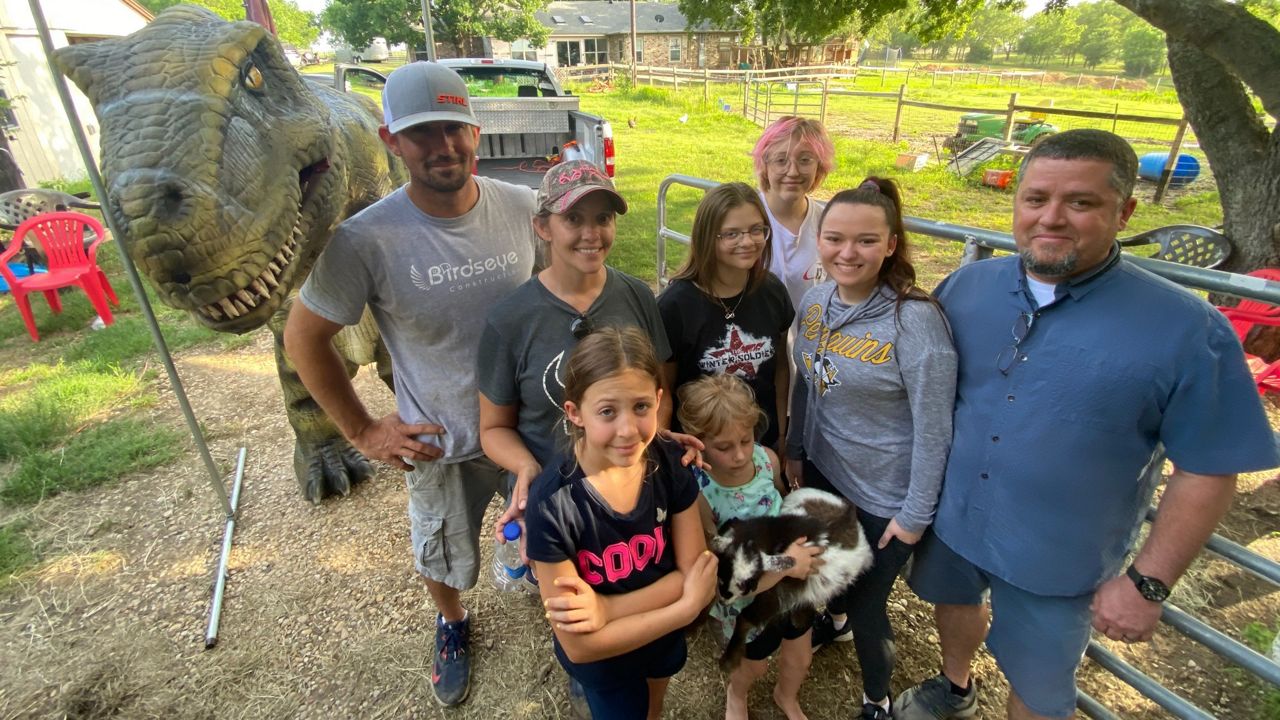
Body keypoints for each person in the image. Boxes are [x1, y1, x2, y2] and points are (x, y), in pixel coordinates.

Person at [894, 129, 1279, 720]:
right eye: (1035, 198)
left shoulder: (1186, 328)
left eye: (1080, 202)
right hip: (955, 519)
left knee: (1042, 687)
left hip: (1058, 554)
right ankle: (956, 682)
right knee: (952, 601)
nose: (1051, 218)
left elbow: (1208, 467)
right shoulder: (967, 287)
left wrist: (1149, 582)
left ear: (1124, 212)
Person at [283, 61, 540, 707]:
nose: (443, 146)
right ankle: (452, 624)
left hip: (530, 430)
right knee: (442, 554)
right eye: (423, 133)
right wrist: (363, 429)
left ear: (476, 133)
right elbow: (303, 339)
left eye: (454, 127)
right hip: (441, 437)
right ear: (390, 139)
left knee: (552, 529)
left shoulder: (524, 209)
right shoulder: (364, 240)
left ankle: (551, 590)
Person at [784, 178, 957, 720]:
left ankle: (876, 699)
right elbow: (806, 379)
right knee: (830, 570)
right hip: (825, 470)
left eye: (865, 241)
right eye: (834, 238)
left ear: (890, 243)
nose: (846, 252)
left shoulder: (915, 322)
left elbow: (935, 429)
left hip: (886, 493)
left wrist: (913, 515)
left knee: (867, 602)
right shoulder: (815, 301)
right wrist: (794, 445)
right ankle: (831, 621)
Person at [524, 327, 718, 720]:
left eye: (642, 407)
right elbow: (580, 645)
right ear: (574, 413)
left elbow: (695, 571)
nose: (629, 430)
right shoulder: (552, 504)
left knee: (653, 706)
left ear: (659, 400)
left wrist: (606, 611)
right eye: (608, 412)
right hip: (603, 663)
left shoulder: (668, 463)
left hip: (660, 643)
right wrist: (684, 607)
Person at [478, 159, 674, 542]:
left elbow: (660, 394)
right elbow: (493, 428)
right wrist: (526, 468)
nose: (591, 233)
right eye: (573, 219)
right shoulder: (509, 319)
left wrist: (648, 447)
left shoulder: (637, 297)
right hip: (557, 503)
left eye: (603, 218)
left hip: (630, 489)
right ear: (542, 226)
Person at [678, 373, 823, 720]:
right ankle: (736, 696)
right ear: (697, 442)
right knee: (751, 664)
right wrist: (789, 562)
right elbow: (725, 568)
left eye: (746, 439)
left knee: (801, 656)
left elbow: (781, 499)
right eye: (724, 447)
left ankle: (786, 695)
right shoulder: (699, 493)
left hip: (792, 588)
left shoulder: (767, 460)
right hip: (749, 600)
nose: (740, 454)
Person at [658, 182, 794, 449]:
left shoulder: (772, 291)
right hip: (699, 453)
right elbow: (663, 389)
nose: (748, 241)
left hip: (761, 448)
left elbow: (780, 369)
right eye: (731, 234)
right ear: (707, 237)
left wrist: (781, 437)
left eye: (757, 230)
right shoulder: (674, 306)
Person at [752, 116, 836, 314]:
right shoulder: (741, 218)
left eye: (805, 160)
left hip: (810, 341)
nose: (793, 171)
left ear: (819, 166)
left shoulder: (829, 224)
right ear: (765, 164)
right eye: (781, 160)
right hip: (753, 341)